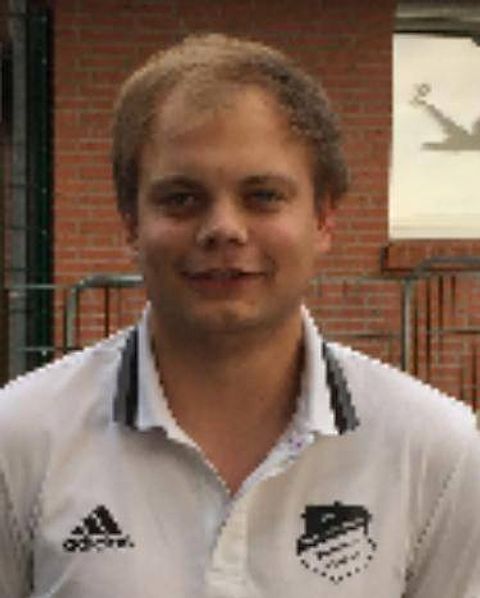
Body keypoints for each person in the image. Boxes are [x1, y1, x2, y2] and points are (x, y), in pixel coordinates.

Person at [0, 33, 479, 598]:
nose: (223, 229)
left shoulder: (436, 452)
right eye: (181, 198)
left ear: (324, 218)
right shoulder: (20, 438)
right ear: (131, 222)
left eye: (263, 195)